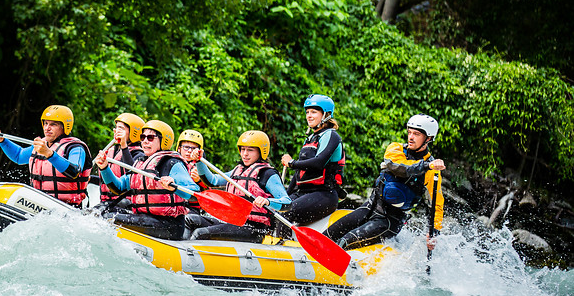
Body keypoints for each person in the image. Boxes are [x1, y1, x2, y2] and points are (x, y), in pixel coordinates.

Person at [323, 114, 446, 250]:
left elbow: (437, 204)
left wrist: (434, 232)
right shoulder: (396, 149)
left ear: (428, 138)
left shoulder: (432, 171)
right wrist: (426, 166)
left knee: (344, 242)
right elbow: (399, 168)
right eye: (409, 132)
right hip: (369, 208)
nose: (411, 137)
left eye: (416, 134)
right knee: (328, 235)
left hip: (389, 221)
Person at [94, 119, 200, 240]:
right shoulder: (140, 163)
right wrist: (104, 167)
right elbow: (118, 187)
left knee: (109, 218)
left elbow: (194, 193)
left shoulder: (171, 163)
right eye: (142, 137)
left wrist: (174, 186)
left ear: (163, 140)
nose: (144, 141)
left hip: (169, 225)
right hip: (147, 218)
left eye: (150, 138)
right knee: (101, 212)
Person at [186, 130, 292, 242]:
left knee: (199, 233)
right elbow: (212, 181)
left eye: (250, 150)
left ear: (261, 152)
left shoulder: (267, 174)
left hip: (253, 229)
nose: (245, 154)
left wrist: (268, 201)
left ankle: (190, 256)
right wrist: (199, 161)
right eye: (242, 149)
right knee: (190, 220)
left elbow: (287, 203)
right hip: (231, 222)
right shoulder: (237, 171)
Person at [0, 105, 91, 207]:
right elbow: (18, 156)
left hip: (68, 207)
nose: (47, 128)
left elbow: (74, 172)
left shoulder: (75, 148)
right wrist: (2, 141)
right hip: (40, 204)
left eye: (53, 124)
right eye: (45, 123)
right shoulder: (42, 144)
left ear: (65, 127)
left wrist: (49, 154)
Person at [281, 94, 345, 228]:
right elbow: (299, 173)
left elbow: (318, 163)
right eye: (307, 112)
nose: (309, 115)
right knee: (276, 208)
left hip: (324, 194)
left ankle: (282, 244)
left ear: (326, 114)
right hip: (303, 192)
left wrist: (291, 163)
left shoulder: (332, 136)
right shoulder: (310, 138)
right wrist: (285, 196)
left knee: (285, 212)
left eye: (314, 112)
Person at [98, 112, 146, 205]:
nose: (117, 131)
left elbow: (132, 175)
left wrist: (124, 145)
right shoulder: (112, 150)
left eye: (121, 128)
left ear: (134, 132)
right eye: (116, 127)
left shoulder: (139, 154)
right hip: (108, 201)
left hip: (127, 203)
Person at [176, 129, 209, 211]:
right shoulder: (172, 164)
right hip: (175, 207)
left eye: (193, 148)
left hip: (192, 209)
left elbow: (209, 194)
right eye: (186, 147)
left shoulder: (200, 168)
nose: (189, 151)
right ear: (179, 148)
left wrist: (199, 181)